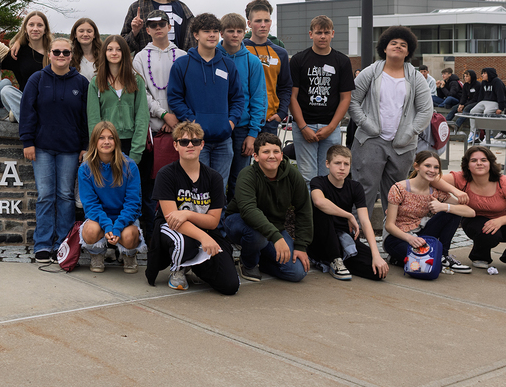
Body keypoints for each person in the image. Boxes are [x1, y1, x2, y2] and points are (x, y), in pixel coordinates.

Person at [145, 121, 239, 295]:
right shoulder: (166, 174)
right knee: (183, 243)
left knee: (230, 285)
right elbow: (172, 219)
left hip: (204, 230)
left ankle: (197, 266)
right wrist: (203, 237)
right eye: (184, 142)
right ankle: (178, 268)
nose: (190, 145)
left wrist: (187, 214)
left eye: (195, 141)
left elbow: (213, 221)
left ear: (202, 145)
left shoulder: (214, 178)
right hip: (170, 229)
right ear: (175, 145)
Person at [348, 25, 434, 214]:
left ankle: (392, 240)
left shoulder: (416, 78)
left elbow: (426, 110)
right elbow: (352, 101)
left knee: (396, 194)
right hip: (369, 141)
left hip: (403, 145)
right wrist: (366, 124)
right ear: (384, 48)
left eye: (403, 45)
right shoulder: (370, 72)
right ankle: (357, 238)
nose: (398, 46)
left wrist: (410, 132)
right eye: (393, 43)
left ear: (408, 51)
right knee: (363, 190)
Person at [19, 37, 88, 264]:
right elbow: (27, 111)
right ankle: (43, 244)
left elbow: (86, 118)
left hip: (69, 149)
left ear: (71, 55)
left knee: (66, 196)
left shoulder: (81, 82)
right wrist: (27, 141)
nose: (61, 56)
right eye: (56, 52)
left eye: (65, 52)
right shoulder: (37, 80)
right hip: (42, 148)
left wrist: (85, 147)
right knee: (46, 195)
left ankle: (64, 243)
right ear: (49, 54)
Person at [167, 13, 243, 194]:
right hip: (195, 141)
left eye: (215, 31)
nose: (212, 35)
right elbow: (174, 98)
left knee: (219, 190)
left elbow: (238, 98)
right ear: (195, 35)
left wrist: (230, 122)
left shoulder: (228, 65)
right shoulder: (182, 64)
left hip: (224, 140)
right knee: (197, 189)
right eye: (206, 31)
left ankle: (218, 223)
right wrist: (192, 123)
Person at [222, 132, 312, 283]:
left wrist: (301, 246)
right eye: (266, 152)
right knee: (258, 236)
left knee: (297, 273)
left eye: (276, 151)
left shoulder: (293, 176)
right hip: (239, 222)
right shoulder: (247, 175)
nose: (272, 156)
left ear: (281, 155)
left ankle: (262, 260)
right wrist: (276, 238)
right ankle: (249, 263)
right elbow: (248, 210)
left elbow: (304, 210)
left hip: (274, 228)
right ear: (256, 157)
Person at [442, 145, 506, 271]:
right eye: (473, 160)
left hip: (504, 220)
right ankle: (480, 256)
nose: (479, 163)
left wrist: (500, 221)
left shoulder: (504, 182)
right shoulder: (461, 178)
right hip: (474, 220)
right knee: (488, 233)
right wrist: (455, 192)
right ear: (467, 165)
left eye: (484, 160)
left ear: (490, 163)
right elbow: (434, 179)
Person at [132, 10, 183, 237]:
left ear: (169, 26)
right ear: (147, 30)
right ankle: (153, 235)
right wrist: (163, 115)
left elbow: (185, 91)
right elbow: (142, 93)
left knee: (178, 183)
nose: (158, 27)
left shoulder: (182, 55)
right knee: (151, 185)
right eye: (153, 25)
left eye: (162, 23)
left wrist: (175, 119)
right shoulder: (140, 58)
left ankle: (178, 232)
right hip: (152, 132)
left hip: (179, 131)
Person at [383, 150, 474, 274]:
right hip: (397, 237)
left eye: (436, 167)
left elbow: (470, 212)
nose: (432, 170)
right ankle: (398, 258)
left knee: (452, 211)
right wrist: (409, 238)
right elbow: (389, 225)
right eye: (427, 166)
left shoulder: (436, 192)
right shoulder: (399, 189)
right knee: (421, 265)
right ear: (416, 166)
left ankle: (443, 255)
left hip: (421, 233)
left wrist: (443, 206)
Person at [288, 15, 354, 184]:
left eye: (326, 32)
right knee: (308, 176)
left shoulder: (342, 61)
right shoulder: (298, 60)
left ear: (333, 34)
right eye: (318, 32)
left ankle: (325, 210)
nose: (322, 36)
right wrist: (302, 127)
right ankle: (310, 211)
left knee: (329, 176)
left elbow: (346, 98)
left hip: (330, 126)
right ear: (311, 34)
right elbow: (292, 96)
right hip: (304, 125)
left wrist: (332, 127)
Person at [308, 145, 388, 281]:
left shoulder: (355, 187)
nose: (342, 168)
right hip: (320, 238)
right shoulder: (318, 182)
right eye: (337, 163)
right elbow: (319, 202)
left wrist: (376, 255)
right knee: (324, 210)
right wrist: (348, 215)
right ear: (327, 164)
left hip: (343, 239)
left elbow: (364, 221)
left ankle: (339, 260)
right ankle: (334, 259)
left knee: (376, 272)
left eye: (346, 164)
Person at [78, 122, 142, 274]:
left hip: (125, 219)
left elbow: (133, 203)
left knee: (129, 235)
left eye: (110, 138)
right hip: (99, 218)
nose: (106, 142)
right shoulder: (86, 169)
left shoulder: (130, 166)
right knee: (90, 230)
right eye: (101, 138)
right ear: (94, 141)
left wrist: (118, 226)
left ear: (116, 142)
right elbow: (90, 204)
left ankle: (129, 255)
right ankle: (97, 254)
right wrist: (107, 225)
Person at [218, 13, 267, 201]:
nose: (235, 35)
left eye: (239, 31)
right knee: (217, 179)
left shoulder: (252, 61)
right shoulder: (212, 56)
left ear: (244, 32)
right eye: (230, 31)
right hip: (217, 127)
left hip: (242, 129)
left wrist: (253, 133)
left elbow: (258, 98)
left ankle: (235, 221)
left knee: (239, 179)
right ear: (222, 33)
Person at [87, 34, 148, 163]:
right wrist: (97, 147)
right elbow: (93, 120)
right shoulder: (96, 82)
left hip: (131, 143)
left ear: (125, 52)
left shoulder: (137, 81)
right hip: (106, 143)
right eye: (110, 49)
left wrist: (136, 151)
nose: (114, 53)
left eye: (118, 49)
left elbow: (142, 117)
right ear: (104, 52)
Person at [243, 0, 291, 137]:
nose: (263, 25)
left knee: (268, 158)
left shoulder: (280, 53)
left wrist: (281, 113)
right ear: (249, 23)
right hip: (243, 121)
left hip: (269, 119)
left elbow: (286, 86)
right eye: (258, 21)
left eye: (267, 21)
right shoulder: (239, 50)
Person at [0, 11, 52, 122]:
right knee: (6, 90)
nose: (35, 28)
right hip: (25, 99)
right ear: (25, 28)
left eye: (40, 25)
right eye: (31, 25)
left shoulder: (54, 52)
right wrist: (18, 41)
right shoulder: (18, 52)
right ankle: (35, 121)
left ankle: (22, 117)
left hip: (49, 100)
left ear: (45, 29)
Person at [466, 68, 506, 144]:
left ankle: (489, 134)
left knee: (487, 112)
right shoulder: (483, 83)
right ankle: (474, 134)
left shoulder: (497, 82)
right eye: (482, 73)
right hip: (484, 101)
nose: (482, 75)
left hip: (494, 102)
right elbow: (480, 96)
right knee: (473, 111)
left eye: (484, 73)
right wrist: (478, 104)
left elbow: (501, 95)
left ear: (489, 74)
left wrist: (501, 108)